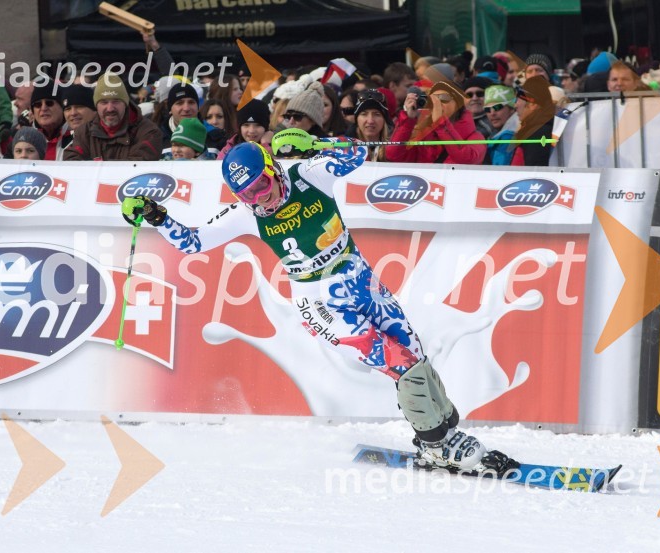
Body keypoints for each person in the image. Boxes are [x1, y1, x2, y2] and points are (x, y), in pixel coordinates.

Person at [121, 138, 499, 473]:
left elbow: (357, 153)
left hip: (361, 280)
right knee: (400, 363)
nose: (260, 199)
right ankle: (436, 445)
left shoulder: (309, 175)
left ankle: (444, 428)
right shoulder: (246, 215)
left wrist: (318, 142)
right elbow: (192, 243)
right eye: (247, 195)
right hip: (321, 302)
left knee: (415, 354)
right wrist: (158, 217)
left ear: (273, 169)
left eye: (262, 186)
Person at [64, 72, 163, 161]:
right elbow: (71, 161)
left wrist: (96, 166)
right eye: (104, 102)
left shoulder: (148, 131)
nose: (110, 108)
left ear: (125, 103)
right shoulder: (84, 132)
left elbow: (138, 166)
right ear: (96, 106)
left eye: (116, 101)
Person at [386, 82, 485, 165]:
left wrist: (441, 123)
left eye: (443, 98)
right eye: (432, 100)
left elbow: (467, 160)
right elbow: (393, 155)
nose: (437, 104)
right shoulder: (423, 136)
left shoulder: (476, 137)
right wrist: (408, 120)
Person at [510, 76, 554, 167]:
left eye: (518, 99)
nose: (515, 105)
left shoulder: (537, 133)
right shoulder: (536, 129)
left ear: (533, 104)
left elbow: (534, 175)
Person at [482, 85, 518, 166]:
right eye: (487, 109)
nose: (492, 113)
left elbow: (499, 173)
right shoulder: (496, 135)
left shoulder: (508, 137)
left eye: (497, 107)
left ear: (512, 108)